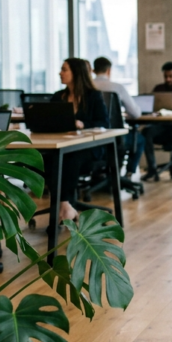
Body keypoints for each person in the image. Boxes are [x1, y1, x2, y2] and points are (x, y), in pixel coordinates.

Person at [50, 58, 109, 223]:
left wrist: (83, 124)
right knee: (49, 158)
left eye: (64, 70)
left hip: (89, 147)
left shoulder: (93, 96)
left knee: (70, 158)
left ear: (76, 73)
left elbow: (104, 123)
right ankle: (65, 205)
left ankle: (63, 203)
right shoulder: (58, 96)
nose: (60, 73)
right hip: (62, 144)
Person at [92, 56, 146, 177]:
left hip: (91, 137)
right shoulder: (117, 87)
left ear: (93, 70)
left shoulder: (87, 86)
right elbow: (136, 113)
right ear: (109, 70)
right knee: (140, 140)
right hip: (114, 136)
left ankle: (103, 175)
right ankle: (128, 173)